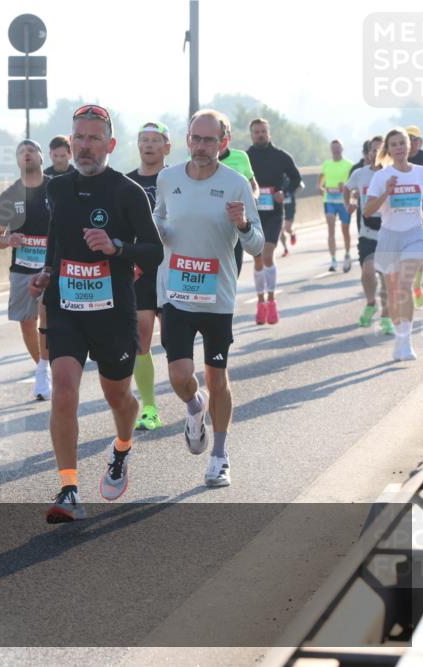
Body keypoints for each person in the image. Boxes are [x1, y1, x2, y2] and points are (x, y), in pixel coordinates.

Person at [29, 104, 163, 521]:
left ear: (110, 144)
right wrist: (48, 271)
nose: (84, 146)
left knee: (118, 398)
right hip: (66, 308)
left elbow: (155, 252)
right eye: (78, 138)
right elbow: (56, 238)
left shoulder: (127, 192)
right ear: (70, 142)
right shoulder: (56, 188)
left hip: (113, 313)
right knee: (64, 391)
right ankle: (69, 488)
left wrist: (116, 248)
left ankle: (121, 448)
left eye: (93, 138)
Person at [154, 109, 264, 488]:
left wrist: (243, 224)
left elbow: (257, 244)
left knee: (218, 379)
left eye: (209, 141)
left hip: (217, 298)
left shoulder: (236, 185)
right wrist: (158, 230)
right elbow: (159, 225)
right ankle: (193, 407)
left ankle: (219, 455)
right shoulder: (167, 180)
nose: (201, 147)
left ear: (224, 143)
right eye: (196, 139)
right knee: (181, 376)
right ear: (187, 140)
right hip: (177, 296)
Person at [0, 139, 52, 400]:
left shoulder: (56, 188)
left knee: (46, 314)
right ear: (17, 161)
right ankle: (42, 367)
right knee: (27, 323)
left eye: (31, 151)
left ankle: (45, 369)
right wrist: (9, 240)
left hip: (51, 265)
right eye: (20, 152)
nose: (26, 155)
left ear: (41, 157)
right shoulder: (9, 195)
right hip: (22, 267)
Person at [364, 127, 423, 361]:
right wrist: (387, 193)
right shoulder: (381, 177)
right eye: (394, 145)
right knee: (394, 292)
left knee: (404, 284)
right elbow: (368, 211)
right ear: (388, 150)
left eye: (402, 143)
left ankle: (407, 342)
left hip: (415, 234)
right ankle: (399, 342)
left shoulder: (422, 172)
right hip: (390, 237)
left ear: (411, 146)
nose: (399, 148)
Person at [126, 121, 172, 431]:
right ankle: (150, 407)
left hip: (173, 268)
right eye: (144, 140)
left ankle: (190, 391)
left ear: (167, 147)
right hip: (142, 271)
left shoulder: (177, 180)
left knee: (173, 341)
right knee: (141, 338)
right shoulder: (126, 183)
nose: (149, 145)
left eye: (156, 140)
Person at [247, 118, 303, 325]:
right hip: (253, 215)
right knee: (258, 259)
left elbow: (297, 179)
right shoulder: (246, 157)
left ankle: (271, 301)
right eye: (256, 132)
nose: (260, 135)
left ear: (269, 133)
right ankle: (260, 302)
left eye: (263, 131)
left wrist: (284, 192)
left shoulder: (281, 157)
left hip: (274, 213)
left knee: (267, 254)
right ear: (251, 134)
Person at [345, 136, 393, 335]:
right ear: (367, 153)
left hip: (390, 232)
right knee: (368, 270)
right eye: (372, 150)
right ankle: (371, 303)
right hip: (367, 232)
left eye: (379, 150)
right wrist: (349, 203)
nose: (375, 153)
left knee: (387, 278)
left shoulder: (392, 175)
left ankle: (386, 317)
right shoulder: (360, 173)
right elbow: (346, 189)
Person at [217, 131, 258, 278]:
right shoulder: (193, 159)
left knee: (233, 274)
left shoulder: (241, 157)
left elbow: (253, 184)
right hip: (209, 224)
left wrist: (253, 197)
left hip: (235, 223)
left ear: (227, 138)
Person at [406, 125, 423, 307]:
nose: (409, 143)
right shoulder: (398, 158)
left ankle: (416, 285)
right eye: (406, 139)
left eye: (412, 139)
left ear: (418, 142)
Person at [320, 139, 355, 272]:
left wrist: (345, 187)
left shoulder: (349, 164)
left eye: (338, 148)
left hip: (343, 201)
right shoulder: (326, 164)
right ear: (331, 150)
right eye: (333, 148)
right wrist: (320, 187)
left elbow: (353, 183)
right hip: (329, 200)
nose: (335, 150)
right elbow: (322, 178)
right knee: (331, 228)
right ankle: (333, 259)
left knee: (345, 230)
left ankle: (346, 253)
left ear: (342, 149)